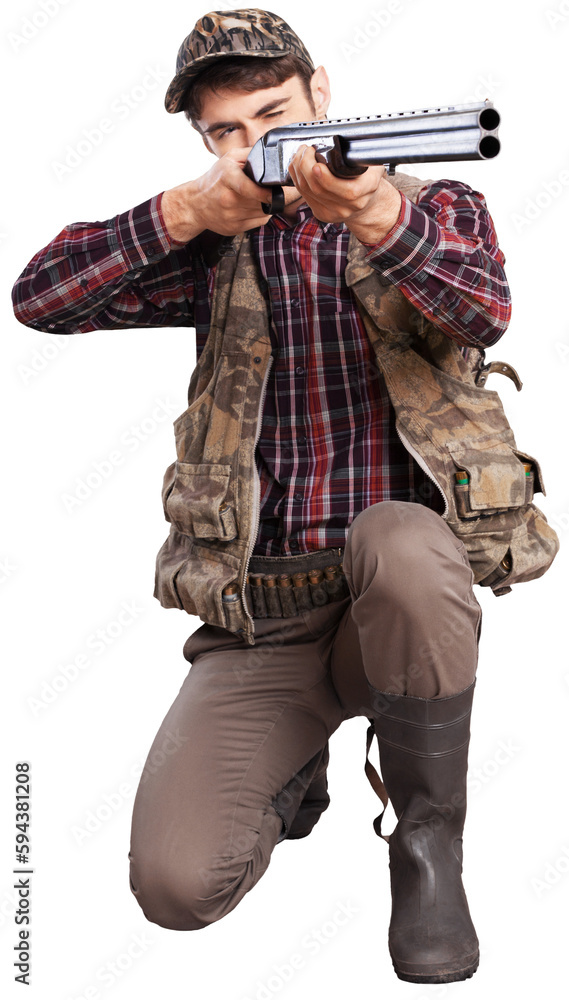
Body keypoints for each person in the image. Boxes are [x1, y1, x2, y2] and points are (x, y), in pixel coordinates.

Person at [13, 8, 554, 986]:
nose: (255, 141)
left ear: (320, 96)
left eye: (273, 114)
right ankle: (295, 764)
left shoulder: (435, 205)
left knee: (401, 540)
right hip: (262, 614)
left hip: (400, 601)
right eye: (226, 131)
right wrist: (184, 212)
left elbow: (482, 309)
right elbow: (40, 298)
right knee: (177, 886)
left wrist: (373, 214)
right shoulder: (213, 240)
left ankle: (426, 841)